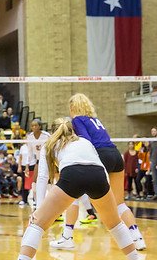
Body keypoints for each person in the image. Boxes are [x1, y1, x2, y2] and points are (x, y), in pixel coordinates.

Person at [0, 118, 147, 260]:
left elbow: (42, 178)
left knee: (37, 225)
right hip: (98, 177)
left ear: (53, 131)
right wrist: (103, 197)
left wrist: (38, 209)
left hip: (72, 175)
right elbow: (98, 167)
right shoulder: (85, 141)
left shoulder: (49, 144)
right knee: (116, 225)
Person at [49, 94, 146, 251]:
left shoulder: (78, 120)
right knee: (120, 203)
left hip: (101, 155)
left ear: (73, 107)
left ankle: (67, 237)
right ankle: (138, 238)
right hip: (115, 154)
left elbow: (86, 140)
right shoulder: (95, 120)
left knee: (72, 196)